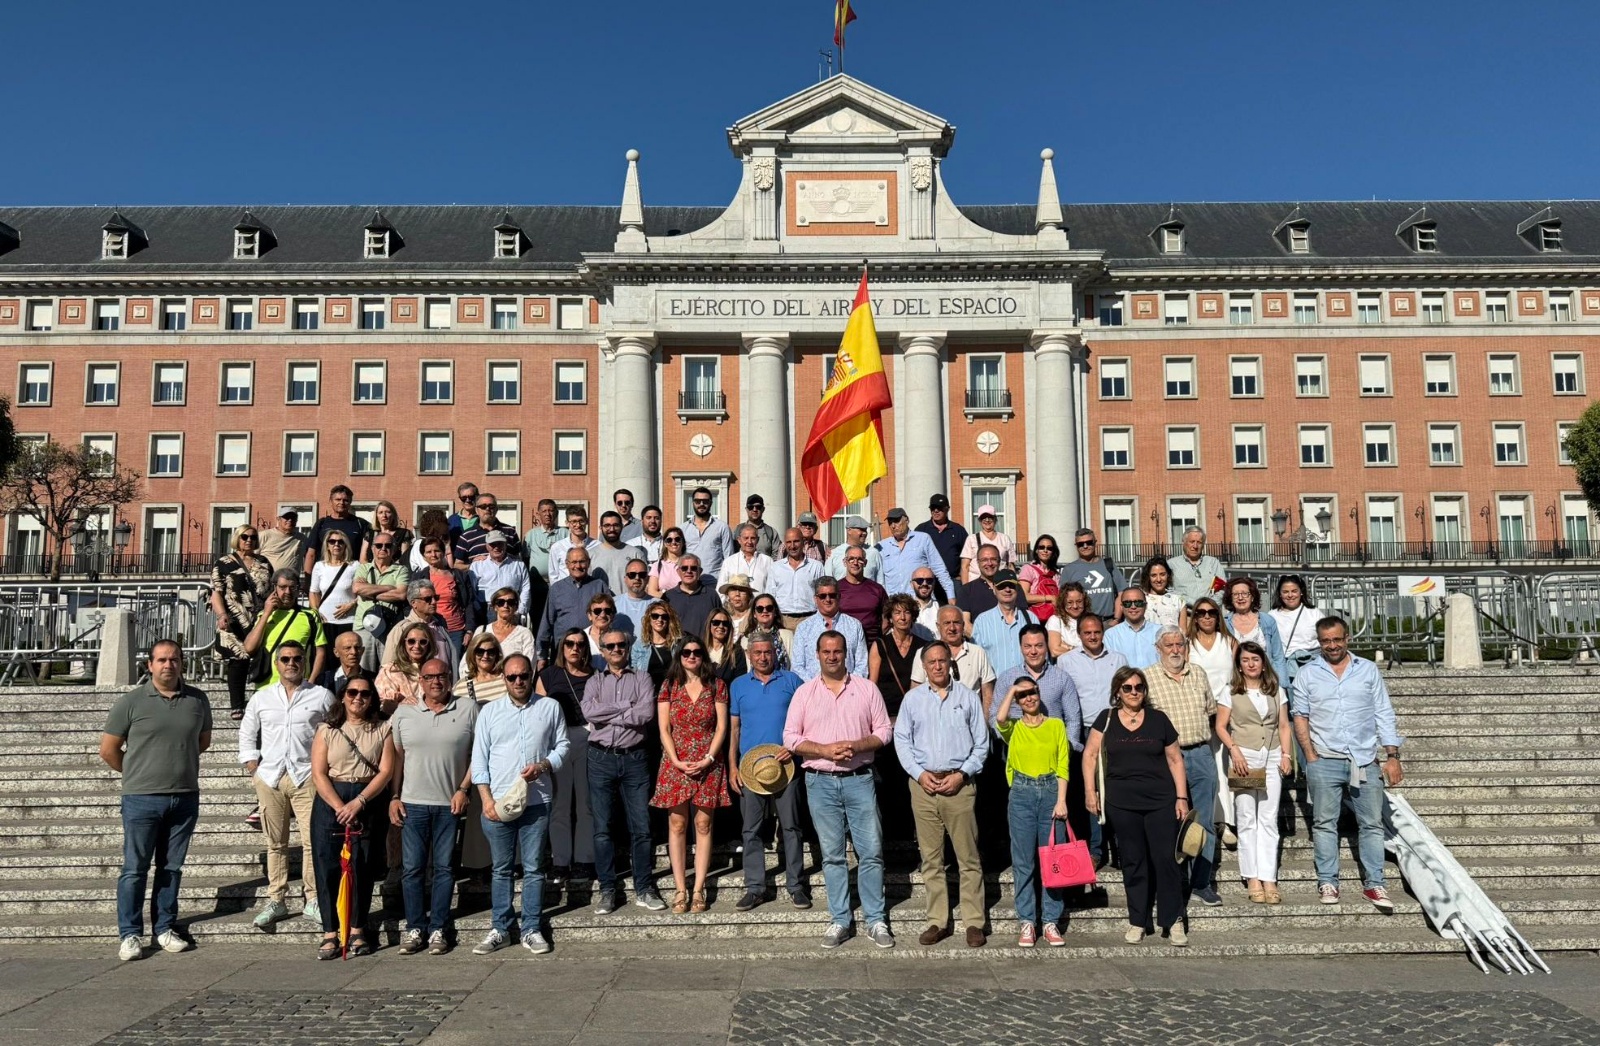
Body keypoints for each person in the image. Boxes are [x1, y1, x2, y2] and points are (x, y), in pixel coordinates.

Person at [783, 631, 895, 950]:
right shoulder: (804, 693)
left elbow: (884, 732)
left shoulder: (866, 689)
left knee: (871, 852)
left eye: (838, 651)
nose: (832, 656)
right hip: (820, 782)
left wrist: (855, 746)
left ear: (846, 653)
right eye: (826, 651)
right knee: (832, 856)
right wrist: (823, 750)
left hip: (859, 778)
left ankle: (875, 920)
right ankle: (840, 920)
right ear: (817, 654)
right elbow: (791, 738)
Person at [102, 640, 211, 961]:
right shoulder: (131, 702)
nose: (168, 665)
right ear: (149, 665)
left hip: (185, 797)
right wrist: (138, 772)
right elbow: (108, 750)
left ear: (182, 663)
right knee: (135, 869)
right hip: (141, 798)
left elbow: (201, 742)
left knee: (171, 868)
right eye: (162, 660)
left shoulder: (197, 700)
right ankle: (130, 934)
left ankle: (164, 927)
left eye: (174, 659)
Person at [1292, 616, 1404, 911]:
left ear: (1347, 638)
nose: (1332, 646)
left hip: (1364, 759)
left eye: (1337, 639)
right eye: (1326, 641)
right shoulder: (1308, 673)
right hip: (1325, 759)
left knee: (1371, 824)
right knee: (1325, 824)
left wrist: (1392, 756)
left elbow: (1383, 712)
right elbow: (1300, 716)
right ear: (1319, 642)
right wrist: (1310, 756)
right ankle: (1328, 880)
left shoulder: (1366, 670)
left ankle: (1374, 884)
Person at [1082, 666, 1191, 946]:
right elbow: (1090, 755)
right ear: (1117, 691)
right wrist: (1090, 791)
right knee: (1133, 861)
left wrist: (1181, 798)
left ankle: (1173, 920)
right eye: (1128, 687)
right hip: (1121, 802)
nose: (1134, 692)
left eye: (1139, 687)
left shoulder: (1158, 719)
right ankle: (1138, 920)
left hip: (1160, 800)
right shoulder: (1106, 719)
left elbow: (1176, 760)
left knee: (1166, 860)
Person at [469, 653, 569, 955]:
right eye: (511, 677)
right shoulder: (490, 712)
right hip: (498, 802)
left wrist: (543, 765)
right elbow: (479, 759)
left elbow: (563, 745)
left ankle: (532, 928)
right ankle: (500, 928)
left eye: (523, 676)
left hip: (537, 800)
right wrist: (486, 799)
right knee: (500, 869)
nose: (518, 682)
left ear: (530, 676)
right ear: (504, 678)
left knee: (534, 868)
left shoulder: (549, 707)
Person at [895, 641, 990, 948]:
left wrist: (962, 775)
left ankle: (974, 922)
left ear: (950, 662)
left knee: (968, 857)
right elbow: (902, 741)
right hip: (923, 786)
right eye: (931, 661)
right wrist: (919, 773)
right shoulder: (912, 700)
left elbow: (982, 743)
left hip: (959, 786)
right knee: (931, 859)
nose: (937, 666)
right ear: (924, 666)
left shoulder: (967, 698)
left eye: (942, 660)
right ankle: (938, 920)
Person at [240, 640, 335, 930]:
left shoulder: (321, 696)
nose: (291, 663)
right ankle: (276, 899)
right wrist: (253, 766)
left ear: (304, 662)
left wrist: (325, 769)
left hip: (306, 776)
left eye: (296, 659)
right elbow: (247, 732)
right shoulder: (262, 697)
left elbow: (334, 732)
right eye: (285, 659)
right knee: (275, 843)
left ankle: (313, 898)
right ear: (276, 663)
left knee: (311, 842)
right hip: (270, 777)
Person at [389, 658, 478, 955]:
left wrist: (464, 789)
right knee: (412, 869)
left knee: (444, 869)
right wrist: (394, 796)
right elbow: (397, 759)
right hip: (413, 804)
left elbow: (480, 753)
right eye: (429, 677)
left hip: (448, 804)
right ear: (420, 681)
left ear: (450, 678)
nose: (436, 681)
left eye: (441, 676)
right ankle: (415, 927)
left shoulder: (468, 709)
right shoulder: (404, 713)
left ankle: (438, 926)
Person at [308, 675, 393, 959]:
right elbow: (319, 772)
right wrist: (338, 806)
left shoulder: (382, 728)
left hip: (366, 797)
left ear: (372, 698)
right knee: (327, 865)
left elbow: (385, 771)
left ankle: (357, 928)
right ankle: (330, 931)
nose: (358, 698)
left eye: (365, 694)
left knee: (362, 865)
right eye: (353, 692)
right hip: (331, 799)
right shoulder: (327, 729)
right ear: (343, 696)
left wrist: (359, 802)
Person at [584, 629, 668, 914]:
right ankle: (608, 889)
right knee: (602, 828)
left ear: (628, 647)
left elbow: (645, 714)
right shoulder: (594, 681)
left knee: (642, 827)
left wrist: (607, 711)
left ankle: (644, 887)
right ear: (603, 650)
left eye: (621, 644)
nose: (617, 649)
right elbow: (588, 713)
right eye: (611, 646)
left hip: (635, 759)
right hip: (600, 758)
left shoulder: (642, 678)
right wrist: (624, 707)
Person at [652, 638, 731, 912]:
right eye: (686, 652)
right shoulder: (669, 686)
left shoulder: (717, 686)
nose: (692, 656)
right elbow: (663, 728)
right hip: (676, 762)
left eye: (697, 652)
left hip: (708, 761)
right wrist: (675, 760)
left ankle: (698, 888)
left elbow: (721, 727)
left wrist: (708, 758)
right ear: (679, 656)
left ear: (704, 656)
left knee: (703, 824)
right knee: (677, 824)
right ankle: (679, 888)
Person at [728, 635, 807, 910]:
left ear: (775, 653)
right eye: (758, 652)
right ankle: (755, 887)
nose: (763, 657)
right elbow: (734, 730)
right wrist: (732, 766)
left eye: (768, 652)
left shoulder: (792, 681)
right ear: (749, 655)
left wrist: (794, 748)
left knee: (792, 827)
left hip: (786, 766)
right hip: (751, 769)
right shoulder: (738, 685)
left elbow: (806, 720)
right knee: (751, 830)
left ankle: (796, 885)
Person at [993, 677, 1072, 948]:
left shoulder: (1056, 725)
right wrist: (1013, 689)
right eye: (1023, 695)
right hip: (1022, 793)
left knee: (1052, 860)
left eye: (1032, 692)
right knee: (1023, 860)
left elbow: (1063, 763)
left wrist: (1061, 800)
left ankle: (1050, 920)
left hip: (1050, 790)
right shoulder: (1014, 728)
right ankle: (1027, 920)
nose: (1029, 698)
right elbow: (999, 719)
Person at [1146, 626, 1220, 907]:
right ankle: (1171, 884)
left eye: (1180, 644)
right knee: (1167, 823)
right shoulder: (1147, 677)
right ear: (1158, 648)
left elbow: (1211, 712)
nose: (1175, 649)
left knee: (1203, 824)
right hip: (1165, 759)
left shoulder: (1198, 673)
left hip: (1201, 754)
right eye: (1169, 645)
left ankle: (1201, 882)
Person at [1216, 641, 1292, 905]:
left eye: (1255, 659)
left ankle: (1269, 877)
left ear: (1263, 662)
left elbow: (1283, 725)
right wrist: (1234, 751)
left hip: (1271, 757)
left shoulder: (1276, 690)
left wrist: (1286, 754)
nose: (1251, 664)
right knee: (1247, 818)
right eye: (1245, 660)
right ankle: (1252, 877)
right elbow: (1221, 726)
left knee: (1268, 820)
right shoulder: (1230, 692)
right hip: (1245, 759)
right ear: (1239, 664)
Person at [1057, 613, 1126, 865]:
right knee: (1090, 791)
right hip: (1085, 732)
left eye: (1097, 631)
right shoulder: (1065, 661)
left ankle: (1119, 847)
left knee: (1117, 790)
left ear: (1103, 632)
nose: (1093, 636)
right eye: (1087, 633)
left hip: (1114, 730)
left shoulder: (1118, 659)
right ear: (1079, 634)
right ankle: (1096, 849)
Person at [538, 628, 597, 897]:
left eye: (580, 644)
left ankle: (584, 859)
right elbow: (540, 712)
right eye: (569, 644)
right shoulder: (549, 674)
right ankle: (560, 861)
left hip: (588, 736)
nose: (575, 648)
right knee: (560, 804)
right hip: (557, 741)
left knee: (585, 803)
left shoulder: (596, 676)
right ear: (562, 648)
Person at [1187, 596, 1239, 852]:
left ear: (1219, 616)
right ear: (1194, 617)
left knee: (1227, 767)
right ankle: (1208, 820)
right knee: (1208, 769)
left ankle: (1228, 822)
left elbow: (1239, 678)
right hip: (1198, 714)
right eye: (1201, 612)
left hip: (1227, 712)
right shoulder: (1188, 645)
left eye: (1212, 612)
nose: (1206, 617)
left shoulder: (1230, 642)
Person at [210, 523, 273, 719]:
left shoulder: (264, 562)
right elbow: (216, 593)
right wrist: (221, 615)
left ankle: (260, 702)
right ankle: (237, 705)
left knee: (261, 658)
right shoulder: (223, 563)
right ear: (237, 538)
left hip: (258, 617)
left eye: (253, 538)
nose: (249, 541)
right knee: (238, 660)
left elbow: (270, 590)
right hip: (233, 617)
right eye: (245, 537)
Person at [244, 570, 328, 687]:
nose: (288, 592)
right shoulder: (264, 615)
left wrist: (311, 681)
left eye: (292, 587)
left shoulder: (310, 616)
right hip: (267, 685)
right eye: (283, 587)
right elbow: (249, 648)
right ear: (274, 588)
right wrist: (267, 613)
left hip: (300, 685)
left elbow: (320, 652)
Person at [995, 624, 1082, 734]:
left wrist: (1067, 746)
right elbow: (995, 715)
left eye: (1039, 646)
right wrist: (1012, 741)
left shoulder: (1062, 678)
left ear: (1047, 646)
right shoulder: (1006, 678)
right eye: (1027, 646)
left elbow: (1073, 719)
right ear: (1021, 647)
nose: (1033, 651)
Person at [911, 605, 996, 711]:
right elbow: (915, 694)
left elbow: (988, 695)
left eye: (956, 622)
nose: (952, 628)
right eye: (947, 623)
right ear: (938, 626)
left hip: (970, 722)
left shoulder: (978, 653)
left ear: (963, 625)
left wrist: (984, 725)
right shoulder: (923, 653)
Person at [538, 548, 608, 668]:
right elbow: (547, 623)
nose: (578, 566)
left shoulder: (599, 585)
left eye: (582, 561)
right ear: (567, 564)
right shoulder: (557, 589)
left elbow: (609, 617)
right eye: (573, 562)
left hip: (592, 652)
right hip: (563, 652)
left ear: (588, 562)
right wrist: (541, 656)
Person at [791, 577, 869, 680]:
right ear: (815, 599)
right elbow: (797, 666)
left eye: (832, 595)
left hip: (849, 690)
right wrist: (817, 687)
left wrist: (849, 685)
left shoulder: (854, 625)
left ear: (839, 597)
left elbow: (862, 665)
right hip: (814, 691)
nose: (828, 599)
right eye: (822, 596)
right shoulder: (803, 628)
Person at [351, 534, 411, 668]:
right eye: (379, 545)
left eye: (388, 545)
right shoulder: (363, 568)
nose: (383, 548)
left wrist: (369, 592)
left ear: (394, 549)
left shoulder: (401, 570)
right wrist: (388, 588)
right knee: (363, 671)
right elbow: (356, 588)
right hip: (363, 627)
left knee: (389, 670)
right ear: (372, 548)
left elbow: (401, 594)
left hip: (389, 628)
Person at [419, 537, 475, 668]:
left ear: (443, 553)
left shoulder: (459, 575)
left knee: (455, 667)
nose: (433, 554)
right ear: (423, 556)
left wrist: (469, 630)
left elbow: (469, 604)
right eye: (428, 552)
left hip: (456, 630)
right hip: (431, 630)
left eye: (437, 550)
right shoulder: (419, 577)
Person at [880, 506, 955, 601]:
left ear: (906, 520)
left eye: (896, 521)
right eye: (890, 522)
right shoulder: (882, 546)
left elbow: (939, 568)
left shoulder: (923, 539)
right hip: (894, 604)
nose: (893, 526)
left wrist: (951, 595)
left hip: (920, 602)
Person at [382, 580, 453, 678]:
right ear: (414, 603)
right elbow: (387, 667)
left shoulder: (440, 624)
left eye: (435, 597)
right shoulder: (401, 629)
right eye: (428, 599)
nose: (434, 602)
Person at [308, 530, 359, 659]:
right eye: (332, 542)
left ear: (346, 545)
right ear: (327, 545)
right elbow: (313, 592)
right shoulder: (319, 566)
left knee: (348, 658)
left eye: (340, 542)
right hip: (325, 622)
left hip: (348, 621)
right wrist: (316, 613)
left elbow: (362, 592)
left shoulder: (354, 566)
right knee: (326, 659)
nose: (336, 545)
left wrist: (351, 604)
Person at [1268, 574, 1321, 699]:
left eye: (1294, 591)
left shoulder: (1314, 613)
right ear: (1280, 594)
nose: (1290, 595)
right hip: (1284, 667)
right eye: (1285, 592)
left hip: (1312, 666)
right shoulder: (1272, 616)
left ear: (1301, 592)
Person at [971, 570, 1031, 678]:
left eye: (1011, 586)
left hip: (1027, 688)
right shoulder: (982, 622)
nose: (1007, 590)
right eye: (1002, 586)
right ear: (994, 589)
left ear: (1017, 589)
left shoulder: (1031, 618)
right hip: (997, 688)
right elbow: (976, 660)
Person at [304, 485, 373, 575]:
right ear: (331, 501)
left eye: (345, 500)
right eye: (338, 499)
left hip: (352, 575)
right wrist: (308, 579)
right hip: (325, 577)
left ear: (350, 502)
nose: (342, 503)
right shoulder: (321, 524)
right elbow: (311, 554)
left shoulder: (361, 524)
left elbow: (367, 554)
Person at [1060, 528, 1126, 620]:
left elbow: (1121, 592)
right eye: (1081, 544)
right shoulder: (1069, 569)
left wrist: (1116, 619)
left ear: (1095, 542)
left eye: (1089, 542)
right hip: (1083, 623)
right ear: (1076, 546)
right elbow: (1063, 599)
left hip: (1109, 621)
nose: (1085, 546)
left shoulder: (1108, 564)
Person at [768, 528, 826, 631]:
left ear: (803, 542)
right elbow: (770, 596)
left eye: (796, 541)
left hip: (809, 619)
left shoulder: (816, 566)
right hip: (783, 621)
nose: (792, 546)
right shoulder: (775, 567)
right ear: (785, 545)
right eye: (789, 542)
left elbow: (822, 595)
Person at [470, 530, 532, 619]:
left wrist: (520, 610)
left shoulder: (518, 565)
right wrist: (478, 610)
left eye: (500, 543)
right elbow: (472, 591)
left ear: (505, 544)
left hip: (512, 609)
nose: (496, 547)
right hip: (486, 610)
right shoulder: (477, 566)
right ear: (487, 546)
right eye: (492, 544)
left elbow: (526, 588)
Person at [914, 494, 967, 596]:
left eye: (939, 508)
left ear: (947, 509)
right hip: (927, 582)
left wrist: (961, 576)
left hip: (953, 581)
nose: (936, 511)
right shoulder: (921, 530)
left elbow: (967, 556)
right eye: (933, 508)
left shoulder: (958, 530)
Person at [836, 544, 888, 646]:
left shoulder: (877, 589)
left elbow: (887, 617)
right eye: (851, 559)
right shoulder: (836, 588)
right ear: (844, 562)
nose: (855, 563)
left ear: (865, 563)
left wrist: (877, 638)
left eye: (860, 559)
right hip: (844, 645)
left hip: (872, 644)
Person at [378, 621, 436, 712]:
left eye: (423, 642)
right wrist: (401, 704)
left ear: (429, 645)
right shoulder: (389, 671)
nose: (417, 646)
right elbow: (380, 705)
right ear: (403, 643)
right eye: (411, 641)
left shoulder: (436, 671)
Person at [452, 492, 521, 567]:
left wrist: (505, 558)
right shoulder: (466, 536)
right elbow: (457, 565)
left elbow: (518, 559)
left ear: (497, 509)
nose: (487, 509)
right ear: (476, 510)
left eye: (491, 506)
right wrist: (474, 565)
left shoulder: (510, 531)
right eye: (483, 506)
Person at [682, 486, 736, 578]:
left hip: (714, 581)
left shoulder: (722, 527)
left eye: (705, 501)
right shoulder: (683, 528)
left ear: (711, 503)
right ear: (693, 503)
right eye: (698, 501)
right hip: (689, 581)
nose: (701, 504)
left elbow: (729, 558)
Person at [663, 554, 721, 640]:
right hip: (676, 650)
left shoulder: (711, 595)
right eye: (684, 568)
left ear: (700, 571)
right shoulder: (668, 597)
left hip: (705, 650)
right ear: (678, 571)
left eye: (693, 568)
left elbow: (720, 622)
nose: (689, 571)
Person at [1167, 526, 1227, 607]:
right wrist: (1195, 603)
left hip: (1210, 613)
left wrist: (1209, 605)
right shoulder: (1171, 564)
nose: (1195, 546)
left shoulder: (1213, 563)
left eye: (1199, 542)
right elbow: (1169, 590)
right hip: (1185, 614)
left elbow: (1222, 588)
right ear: (1183, 543)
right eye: (1192, 541)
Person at [1103, 587, 1159, 669]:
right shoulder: (1111, 635)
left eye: (1138, 603)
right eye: (1127, 603)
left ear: (1145, 606)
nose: (1133, 607)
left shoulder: (1159, 632)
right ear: (1121, 607)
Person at [958, 504, 1016, 582]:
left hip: (1000, 584)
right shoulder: (971, 539)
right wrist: (965, 589)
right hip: (976, 583)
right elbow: (965, 566)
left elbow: (1010, 566)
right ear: (979, 520)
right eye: (983, 518)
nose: (987, 520)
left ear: (995, 519)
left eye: (990, 517)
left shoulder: (1005, 539)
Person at [633, 601, 683, 690]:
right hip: (648, 693)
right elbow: (634, 674)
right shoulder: (639, 646)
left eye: (664, 617)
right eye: (655, 616)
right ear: (649, 619)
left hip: (673, 693)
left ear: (669, 620)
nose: (659, 620)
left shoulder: (677, 644)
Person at [591, 511, 645, 591]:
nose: (611, 529)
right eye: (607, 525)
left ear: (622, 527)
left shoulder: (635, 554)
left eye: (615, 525)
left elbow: (645, 584)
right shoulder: (590, 555)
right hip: (600, 602)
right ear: (600, 528)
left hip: (628, 603)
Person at [740, 596, 794, 669]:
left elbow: (793, 665)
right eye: (760, 609)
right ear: (754, 614)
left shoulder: (788, 636)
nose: (765, 611)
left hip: (784, 678)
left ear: (775, 612)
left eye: (769, 608)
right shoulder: (746, 639)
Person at [548, 509, 601, 584]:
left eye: (581, 521)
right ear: (567, 523)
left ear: (587, 521)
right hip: (565, 591)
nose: (578, 525)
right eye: (574, 521)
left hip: (590, 590)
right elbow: (553, 575)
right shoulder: (557, 547)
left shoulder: (597, 546)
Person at [455, 632, 509, 705]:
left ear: (497, 654)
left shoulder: (507, 681)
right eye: (480, 651)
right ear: (473, 654)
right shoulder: (461, 686)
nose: (485, 656)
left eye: (491, 652)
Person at [825, 515, 884, 582]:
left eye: (865, 530)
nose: (864, 533)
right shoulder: (833, 554)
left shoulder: (874, 553)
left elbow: (880, 582)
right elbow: (827, 582)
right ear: (849, 530)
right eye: (861, 529)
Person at [1018, 534, 1062, 621]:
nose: (1045, 550)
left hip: (1053, 619)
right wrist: (1049, 598)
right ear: (1036, 550)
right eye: (1042, 547)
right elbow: (1023, 596)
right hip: (1033, 619)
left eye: (1049, 548)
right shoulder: (1028, 569)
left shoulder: (1056, 574)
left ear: (1053, 552)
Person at [719, 522, 774, 591]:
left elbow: (773, 588)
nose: (749, 542)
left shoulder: (767, 561)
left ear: (757, 540)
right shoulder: (729, 562)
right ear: (739, 540)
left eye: (753, 538)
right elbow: (721, 589)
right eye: (746, 538)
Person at [956, 545, 1003, 624]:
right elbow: (965, 624)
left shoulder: (1012, 588)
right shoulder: (967, 590)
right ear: (978, 563)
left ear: (999, 561)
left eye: (993, 559)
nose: (989, 563)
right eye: (984, 560)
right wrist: (982, 637)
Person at [613, 558, 657, 638]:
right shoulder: (613, 603)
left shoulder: (658, 605)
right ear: (625, 579)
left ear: (647, 579)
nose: (637, 578)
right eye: (632, 575)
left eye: (642, 574)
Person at [1141, 557, 1185, 631]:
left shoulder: (1178, 600)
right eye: (1154, 575)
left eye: (1162, 574)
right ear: (1148, 577)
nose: (1158, 579)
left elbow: (1183, 631)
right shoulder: (1142, 599)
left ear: (1168, 575)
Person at [705, 609, 748, 684]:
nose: (721, 626)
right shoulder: (700, 651)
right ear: (709, 625)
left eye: (725, 623)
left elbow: (739, 683)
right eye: (716, 623)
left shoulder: (736, 652)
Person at [523, 498, 563, 579]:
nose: (547, 514)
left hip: (559, 580)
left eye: (550, 510)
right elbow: (525, 559)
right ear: (538, 514)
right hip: (536, 582)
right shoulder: (530, 535)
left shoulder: (565, 533)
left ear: (556, 513)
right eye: (544, 511)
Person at [1045, 583, 1087, 659]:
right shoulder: (1055, 620)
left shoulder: (1090, 620)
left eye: (1079, 601)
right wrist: (1075, 649)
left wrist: (1067, 647)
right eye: (1070, 602)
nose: (1075, 606)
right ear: (1063, 602)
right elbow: (1055, 651)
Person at [257, 510, 304, 575]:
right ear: (278, 519)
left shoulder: (301, 538)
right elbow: (251, 557)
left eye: (293, 518)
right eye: (287, 517)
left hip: (291, 582)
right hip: (268, 580)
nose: (290, 520)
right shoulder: (264, 536)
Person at [647, 527, 688, 596]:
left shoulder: (689, 564)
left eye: (677, 539)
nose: (673, 542)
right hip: (665, 604)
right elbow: (651, 591)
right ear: (665, 544)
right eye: (669, 540)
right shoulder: (657, 566)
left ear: (683, 542)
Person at [583, 594, 619, 665]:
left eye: (607, 611)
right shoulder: (581, 637)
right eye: (597, 611)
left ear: (613, 615)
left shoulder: (619, 639)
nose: (602, 615)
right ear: (589, 615)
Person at [410, 508, 450, 573]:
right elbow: (427, 568)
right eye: (444, 521)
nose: (447, 525)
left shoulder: (440, 543)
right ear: (436, 524)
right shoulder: (420, 543)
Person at [744, 494, 783, 558]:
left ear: (763, 509)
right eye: (751, 507)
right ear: (746, 509)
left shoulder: (771, 532)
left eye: (758, 507)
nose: (754, 509)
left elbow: (777, 556)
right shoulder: (738, 530)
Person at [909, 568, 943, 638]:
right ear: (912, 584)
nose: (924, 583)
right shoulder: (906, 609)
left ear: (934, 583)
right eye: (919, 581)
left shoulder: (941, 608)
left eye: (929, 580)